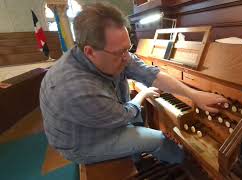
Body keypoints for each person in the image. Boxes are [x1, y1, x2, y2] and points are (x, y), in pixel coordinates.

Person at [39, 3, 227, 165]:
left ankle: (136, 157)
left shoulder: (111, 53)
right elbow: (124, 115)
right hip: (83, 142)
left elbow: (151, 74)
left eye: (128, 48)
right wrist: (143, 94)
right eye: (120, 52)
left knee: (140, 117)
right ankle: (186, 162)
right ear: (90, 52)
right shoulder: (76, 90)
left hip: (102, 118)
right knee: (158, 139)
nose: (126, 57)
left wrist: (194, 95)